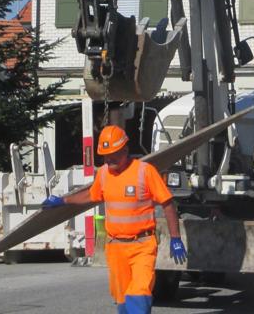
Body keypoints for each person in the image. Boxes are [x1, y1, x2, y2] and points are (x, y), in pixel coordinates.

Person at [44, 125, 186, 314]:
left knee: (139, 292)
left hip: (142, 245)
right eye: (105, 155)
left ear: (125, 151)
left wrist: (175, 239)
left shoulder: (145, 171)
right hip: (116, 248)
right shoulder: (103, 173)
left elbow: (168, 204)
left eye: (113, 154)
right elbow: (90, 196)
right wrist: (63, 200)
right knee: (122, 300)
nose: (109, 159)